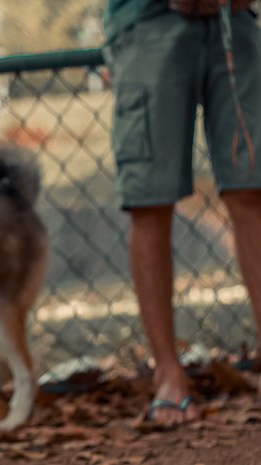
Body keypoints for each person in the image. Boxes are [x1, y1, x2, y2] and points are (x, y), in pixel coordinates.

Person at [104, 0, 261, 425]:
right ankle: (168, 376)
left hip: (237, 19)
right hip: (149, 20)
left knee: (253, 190)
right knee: (149, 199)